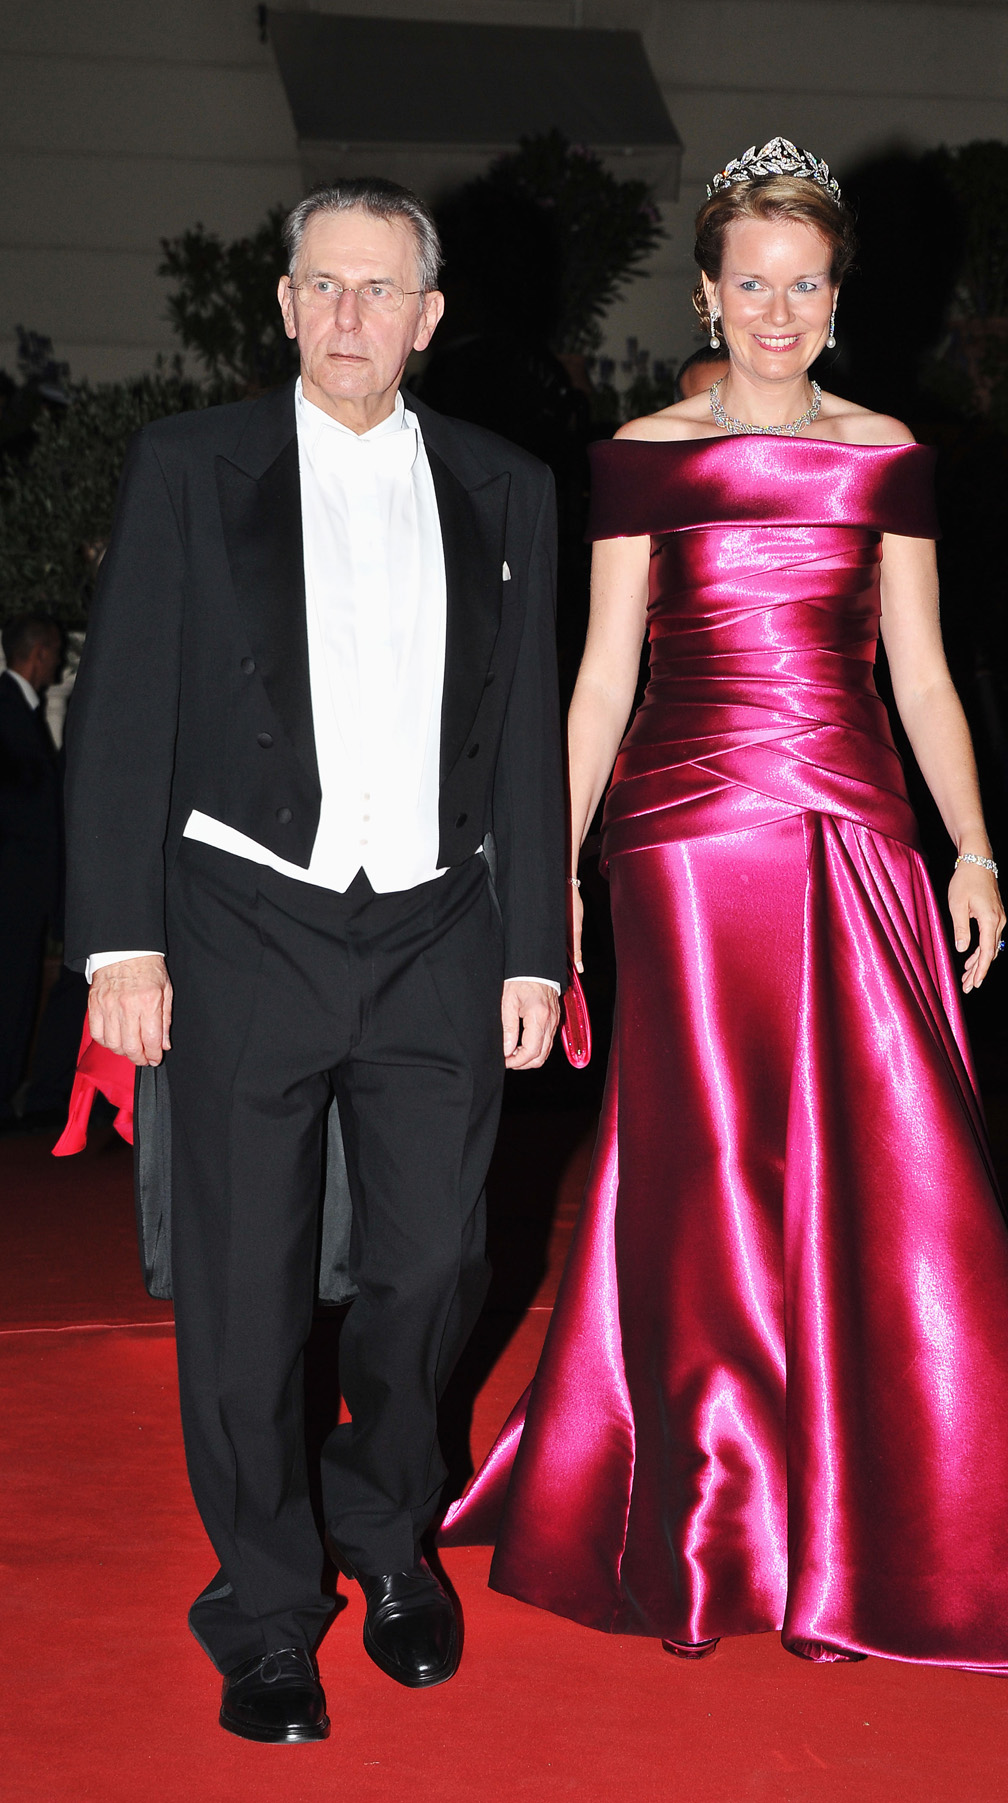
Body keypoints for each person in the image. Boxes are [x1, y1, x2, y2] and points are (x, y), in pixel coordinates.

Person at [442, 139, 1008, 1676]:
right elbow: (602, 679)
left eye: (804, 284)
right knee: (700, 1165)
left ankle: (856, 1516)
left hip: (853, 829)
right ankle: (704, 1519)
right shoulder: (641, 453)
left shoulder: (888, 454)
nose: (776, 311)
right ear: (708, 290)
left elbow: (926, 673)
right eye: (750, 283)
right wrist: (549, 873)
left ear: (838, 297)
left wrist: (973, 847)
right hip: (685, 844)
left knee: (876, 1162)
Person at [65, 177, 566, 1742]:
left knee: (434, 1265)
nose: (350, 314)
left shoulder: (506, 486)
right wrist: (120, 940)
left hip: (438, 928)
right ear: (285, 305)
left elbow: (527, 737)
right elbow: (123, 707)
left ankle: (386, 1531)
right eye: (323, 285)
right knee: (244, 1287)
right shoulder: (190, 465)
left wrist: (537, 950)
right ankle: (267, 1605)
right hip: (241, 922)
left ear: (428, 317)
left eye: (380, 288)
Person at [0, 613, 64, 1120]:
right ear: (39, 653)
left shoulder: (20, 708)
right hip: (14, 886)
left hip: (22, 887)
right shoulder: (8, 709)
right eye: (56, 653)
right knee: (11, 993)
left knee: (18, 992)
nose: (59, 665)